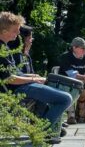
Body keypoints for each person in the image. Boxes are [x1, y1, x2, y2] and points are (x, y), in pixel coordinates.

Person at [0, 12, 72, 144]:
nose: (17, 34)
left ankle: (47, 132)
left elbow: (14, 73)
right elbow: (9, 79)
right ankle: (40, 136)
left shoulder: (4, 46)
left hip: (20, 87)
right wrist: (32, 80)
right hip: (15, 91)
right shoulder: (1, 49)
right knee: (65, 99)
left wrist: (32, 76)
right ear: (4, 30)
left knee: (46, 95)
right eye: (15, 30)